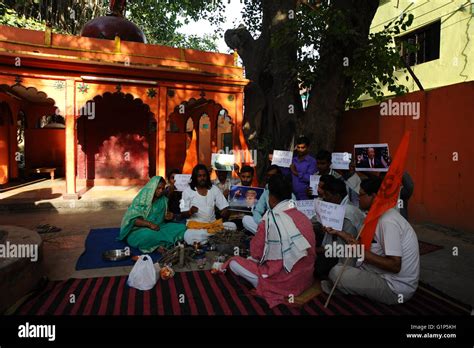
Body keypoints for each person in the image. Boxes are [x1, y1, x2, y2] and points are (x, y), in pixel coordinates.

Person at [321, 177, 420, 305]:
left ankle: (343, 283)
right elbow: (363, 244)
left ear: (373, 196)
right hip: (377, 271)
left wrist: (360, 251)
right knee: (345, 252)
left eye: (361, 195)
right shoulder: (376, 215)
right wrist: (340, 233)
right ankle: (346, 281)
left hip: (394, 288)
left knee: (335, 272)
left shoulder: (388, 221)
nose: (358, 198)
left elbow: (395, 265)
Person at [224, 175, 316, 308]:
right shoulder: (304, 218)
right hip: (304, 278)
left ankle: (268, 286)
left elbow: (256, 255)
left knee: (234, 262)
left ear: (271, 197)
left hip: (280, 281)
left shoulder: (268, 221)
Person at [312, 177, 366, 278]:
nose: (324, 198)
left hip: (347, 259)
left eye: (327, 195)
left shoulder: (346, 215)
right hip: (334, 248)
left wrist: (317, 250)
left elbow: (342, 249)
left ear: (337, 196)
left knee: (316, 267)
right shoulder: (338, 207)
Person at [118, 176, 186, 253]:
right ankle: (160, 245)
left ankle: (160, 244)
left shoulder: (163, 200)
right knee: (148, 236)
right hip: (140, 230)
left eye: (162, 189)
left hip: (160, 227)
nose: (160, 191)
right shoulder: (142, 198)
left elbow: (164, 216)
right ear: (152, 187)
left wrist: (169, 216)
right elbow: (132, 219)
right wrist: (149, 224)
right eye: (158, 188)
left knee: (182, 227)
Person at [181, 164, 237, 244]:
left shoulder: (214, 189)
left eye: (204, 176)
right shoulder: (187, 192)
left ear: (207, 176)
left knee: (232, 226)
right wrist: (190, 212)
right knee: (188, 236)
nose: (202, 178)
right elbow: (182, 214)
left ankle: (206, 239)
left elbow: (225, 209)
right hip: (197, 227)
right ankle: (213, 237)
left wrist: (225, 212)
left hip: (213, 225)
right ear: (194, 177)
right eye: (199, 176)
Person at [242, 165, 296, 234]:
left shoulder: (290, 194)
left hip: (284, 226)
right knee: (246, 219)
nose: (270, 178)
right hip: (268, 225)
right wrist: (261, 223)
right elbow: (258, 211)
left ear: (279, 176)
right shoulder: (266, 192)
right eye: (268, 176)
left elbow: (293, 213)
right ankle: (267, 236)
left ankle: (266, 236)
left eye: (273, 175)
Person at [289, 136, 317, 200]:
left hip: (305, 196)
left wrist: (295, 172)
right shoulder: (293, 160)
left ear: (308, 148)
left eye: (302, 147)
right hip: (292, 195)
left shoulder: (312, 161)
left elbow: (310, 178)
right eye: (298, 147)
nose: (300, 150)